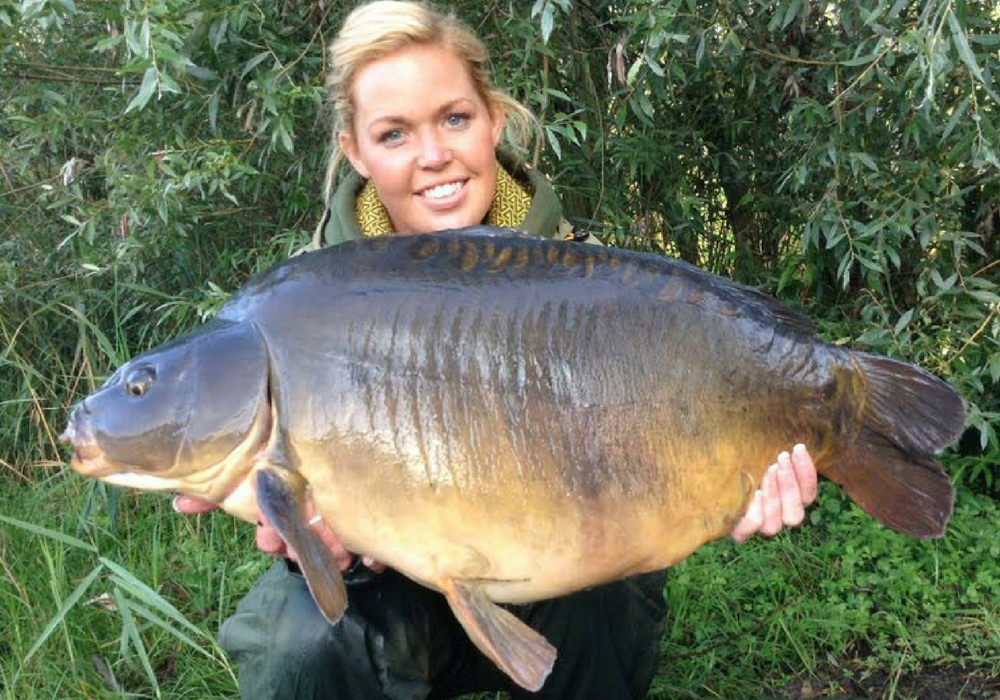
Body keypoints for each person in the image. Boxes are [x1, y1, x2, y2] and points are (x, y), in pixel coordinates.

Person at [174, 2, 819, 698]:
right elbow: (310, 513)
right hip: (393, 594)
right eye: (394, 133)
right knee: (293, 644)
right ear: (355, 152)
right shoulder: (300, 310)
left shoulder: (589, 281)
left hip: (559, 577)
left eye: (455, 118)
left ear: (493, 121)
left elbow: (658, 450)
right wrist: (322, 553)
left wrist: (730, 485)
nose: (433, 155)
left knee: (604, 601)